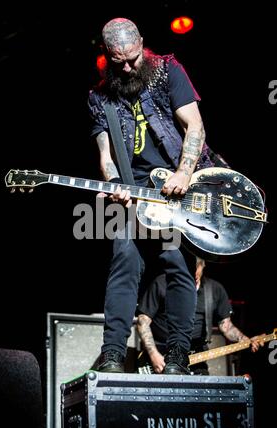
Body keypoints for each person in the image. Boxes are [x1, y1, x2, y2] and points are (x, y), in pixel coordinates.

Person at [88, 18, 220, 374]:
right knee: (124, 262)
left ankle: (178, 353)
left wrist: (183, 172)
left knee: (177, 265)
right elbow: (106, 156)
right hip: (134, 190)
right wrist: (115, 184)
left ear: (142, 44)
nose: (129, 67)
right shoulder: (100, 98)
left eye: (133, 57)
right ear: (107, 56)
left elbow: (195, 125)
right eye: (120, 61)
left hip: (176, 187)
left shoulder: (167, 72)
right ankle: (113, 353)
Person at [137, 258, 263, 374]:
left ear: (203, 265)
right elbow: (143, 322)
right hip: (161, 355)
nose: (194, 272)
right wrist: (154, 356)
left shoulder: (214, 289)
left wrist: (246, 340)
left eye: (197, 267)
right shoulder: (161, 283)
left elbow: (226, 327)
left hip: (196, 358)